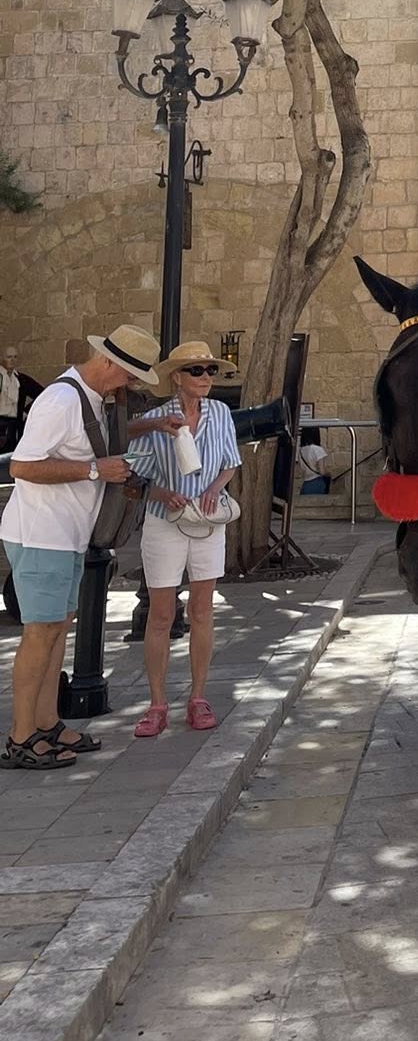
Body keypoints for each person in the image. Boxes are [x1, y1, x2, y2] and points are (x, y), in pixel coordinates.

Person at [0, 324, 180, 769]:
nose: (131, 385)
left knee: (57, 629)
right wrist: (96, 470)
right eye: (130, 376)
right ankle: (20, 737)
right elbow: (22, 466)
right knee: (41, 633)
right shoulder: (61, 400)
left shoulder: (91, 398)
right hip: (41, 534)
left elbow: (98, 437)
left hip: (64, 535)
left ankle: (46, 722)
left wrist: (152, 424)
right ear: (109, 363)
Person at [126, 339, 242, 736]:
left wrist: (214, 488)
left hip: (207, 522)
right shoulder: (156, 419)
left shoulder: (221, 413)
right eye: (196, 370)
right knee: (161, 613)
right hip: (165, 521)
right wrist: (159, 492)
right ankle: (157, 704)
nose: (206, 377)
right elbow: (134, 470)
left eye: (210, 370)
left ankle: (198, 697)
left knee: (202, 610)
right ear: (177, 377)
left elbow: (230, 462)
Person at [0, 346, 41, 456]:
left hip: (13, 425)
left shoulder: (21, 379)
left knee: (9, 456)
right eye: (9, 357)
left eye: (15, 357)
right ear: (2, 358)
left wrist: (26, 411)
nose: (12, 360)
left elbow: (42, 394)